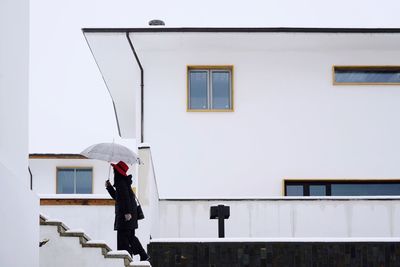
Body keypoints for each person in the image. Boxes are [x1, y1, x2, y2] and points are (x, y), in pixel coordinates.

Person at [105, 161, 149, 261]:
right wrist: (109, 187)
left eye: (114, 170)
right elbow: (119, 197)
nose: (113, 171)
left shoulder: (121, 182)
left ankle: (128, 259)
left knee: (123, 241)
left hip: (125, 216)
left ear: (117, 171)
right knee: (129, 238)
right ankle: (141, 256)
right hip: (128, 215)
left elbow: (125, 199)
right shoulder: (123, 182)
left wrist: (127, 213)